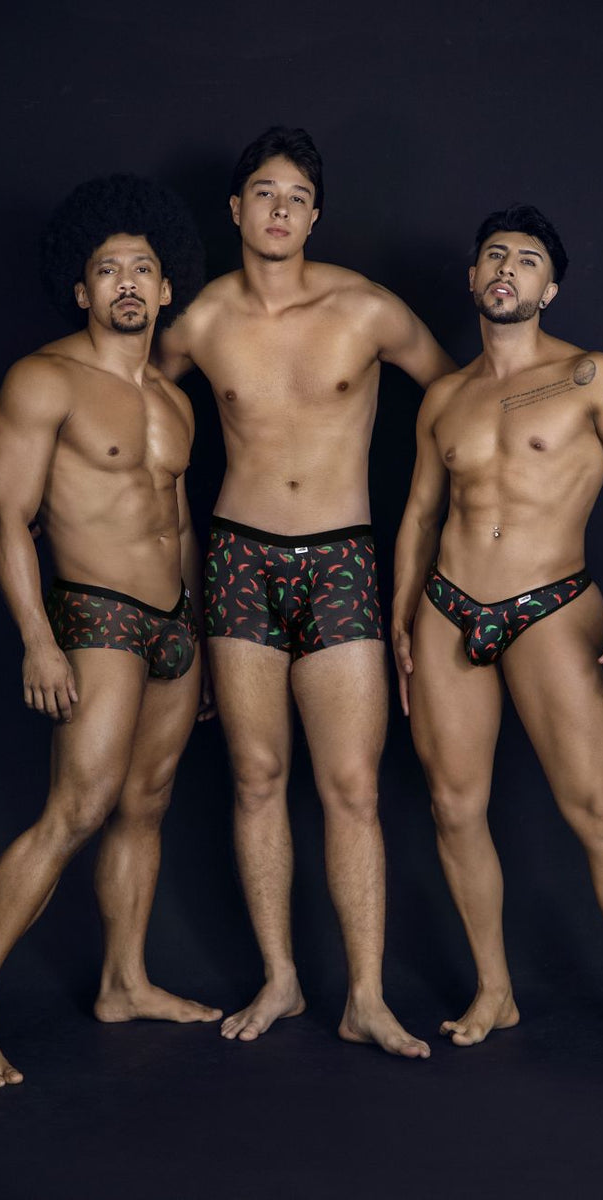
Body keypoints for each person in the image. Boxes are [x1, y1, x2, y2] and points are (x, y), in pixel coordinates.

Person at [160, 127, 456, 1057]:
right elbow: (126, 404)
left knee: (352, 786)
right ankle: (281, 977)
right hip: (238, 560)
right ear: (236, 208)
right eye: (264, 193)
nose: (280, 210)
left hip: (341, 561)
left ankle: (365, 996)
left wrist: (450, 532)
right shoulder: (199, 319)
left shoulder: (365, 309)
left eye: (296, 197)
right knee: (256, 777)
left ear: (315, 215)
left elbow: (459, 401)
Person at [392, 204, 603, 1067]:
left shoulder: (593, 376)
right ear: (472, 277)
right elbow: (419, 516)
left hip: (551, 602)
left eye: (527, 260)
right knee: (454, 807)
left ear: (549, 288)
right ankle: (495, 990)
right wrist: (401, 622)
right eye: (495, 255)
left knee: (596, 809)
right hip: (448, 605)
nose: (507, 269)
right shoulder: (444, 398)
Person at [0, 175, 221, 1088]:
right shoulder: (45, 378)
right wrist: (37, 637)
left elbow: (180, 524)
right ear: (82, 288)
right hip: (95, 613)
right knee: (78, 808)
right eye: (108, 270)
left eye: (142, 269)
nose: (127, 283)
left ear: (167, 288)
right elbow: (4, 517)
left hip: (174, 625)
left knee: (147, 804)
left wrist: (198, 636)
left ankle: (123, 981)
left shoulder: (175, 401)